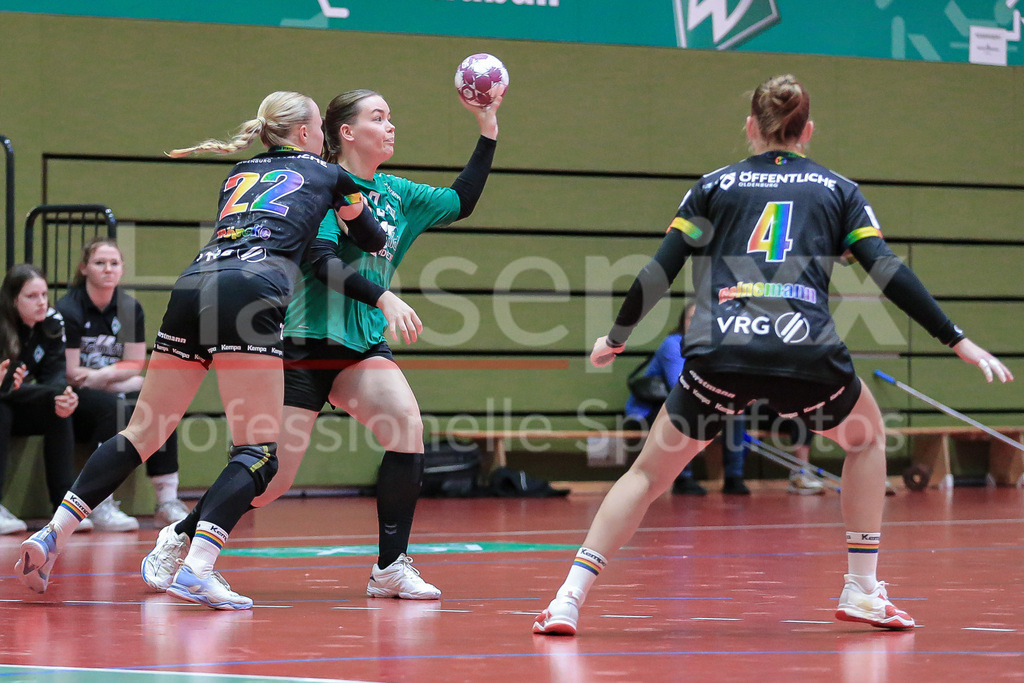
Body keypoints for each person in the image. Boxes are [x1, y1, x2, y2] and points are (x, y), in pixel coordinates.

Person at [533, 74, 1013, 636]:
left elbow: (658, 269)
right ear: (807, 130)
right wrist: (955, 338)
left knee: (645, 476)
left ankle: (567, 598)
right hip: (804, 350)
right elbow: (888, 271)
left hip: (721, 351)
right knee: (867, 439)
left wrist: (615, 337)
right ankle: (860, 588)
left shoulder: (713, 186)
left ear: (750, 127)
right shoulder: (838, 190)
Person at [16, 90, 389, 610]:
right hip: (250, 290)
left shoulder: (236, 175)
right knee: (258, 453)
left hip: (194, 285)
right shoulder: (332, 175)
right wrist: (356, 207)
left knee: (143, 431)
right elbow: (371, 239)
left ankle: (55, 531)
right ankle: (197, 569)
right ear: (307, 133)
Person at [141, 87, 502, 601]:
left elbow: (462, 200)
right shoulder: (321, 184)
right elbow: (323, 262)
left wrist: (487, 128)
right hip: (303, 345)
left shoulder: (399, 194)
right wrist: (384, 297)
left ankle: (390, 567)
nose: (391, 125)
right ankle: (180, 537)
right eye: (379, 117)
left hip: (361, 347)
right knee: (272, 479)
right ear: (348, 133)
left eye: (391, 116)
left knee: (405, 425)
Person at [56, 237, 189, 530]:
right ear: (84, 268)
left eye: (114, 263)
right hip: (76, 395)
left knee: (161, 401)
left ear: (122, 269)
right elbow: (71, 372)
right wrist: (112, 377)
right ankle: (100, 503)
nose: (108, 269)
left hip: (104, 384)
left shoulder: (129, 308)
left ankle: (167, 499)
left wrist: (100, 376)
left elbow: (135, 363)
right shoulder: (69, 309)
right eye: (99, 263)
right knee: (111, 407)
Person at [623, 303, 749, 495]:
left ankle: (734, 478)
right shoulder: (673, 344)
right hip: (656, 407)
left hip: (702, 402)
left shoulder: (716, 346)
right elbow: (679, 384)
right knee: (683, 413)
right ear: (683, 321)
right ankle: (683, 479)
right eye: (692, 318)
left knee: (735, 413)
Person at [0, 264, 86, 534]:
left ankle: (63, 506)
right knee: (1, 409)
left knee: (58, 408)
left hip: (21, 401)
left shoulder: (51, 323)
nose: (41, 302)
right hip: (3, 404)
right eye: (31, 296)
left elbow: (55, 376)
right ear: (13, 300)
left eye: (44, 295)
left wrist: (63, 396)